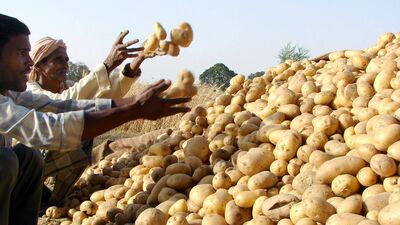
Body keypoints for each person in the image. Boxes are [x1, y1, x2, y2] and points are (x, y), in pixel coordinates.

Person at [0, 13, 190, 225]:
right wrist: (134, 108)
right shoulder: (25, 90)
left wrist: (135, 102)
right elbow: (48, 128)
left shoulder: (11, 92)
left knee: (28, 156)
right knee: (5, 160)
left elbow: (66, 106)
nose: (29, 62)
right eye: (21, 53)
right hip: (28, 156)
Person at [27, 33, 160, 208]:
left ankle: (53, 202)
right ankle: (35, 195)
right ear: (40, 65)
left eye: (66, 59)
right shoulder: (29, 90)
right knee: (79, 125)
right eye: (58, 60)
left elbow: (105, 96)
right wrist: (107, 65)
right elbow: (63, 104)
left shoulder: (66, 86)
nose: (65, 64)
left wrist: (138, 60)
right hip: (30, 162)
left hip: (52, 158)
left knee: (84, 124)